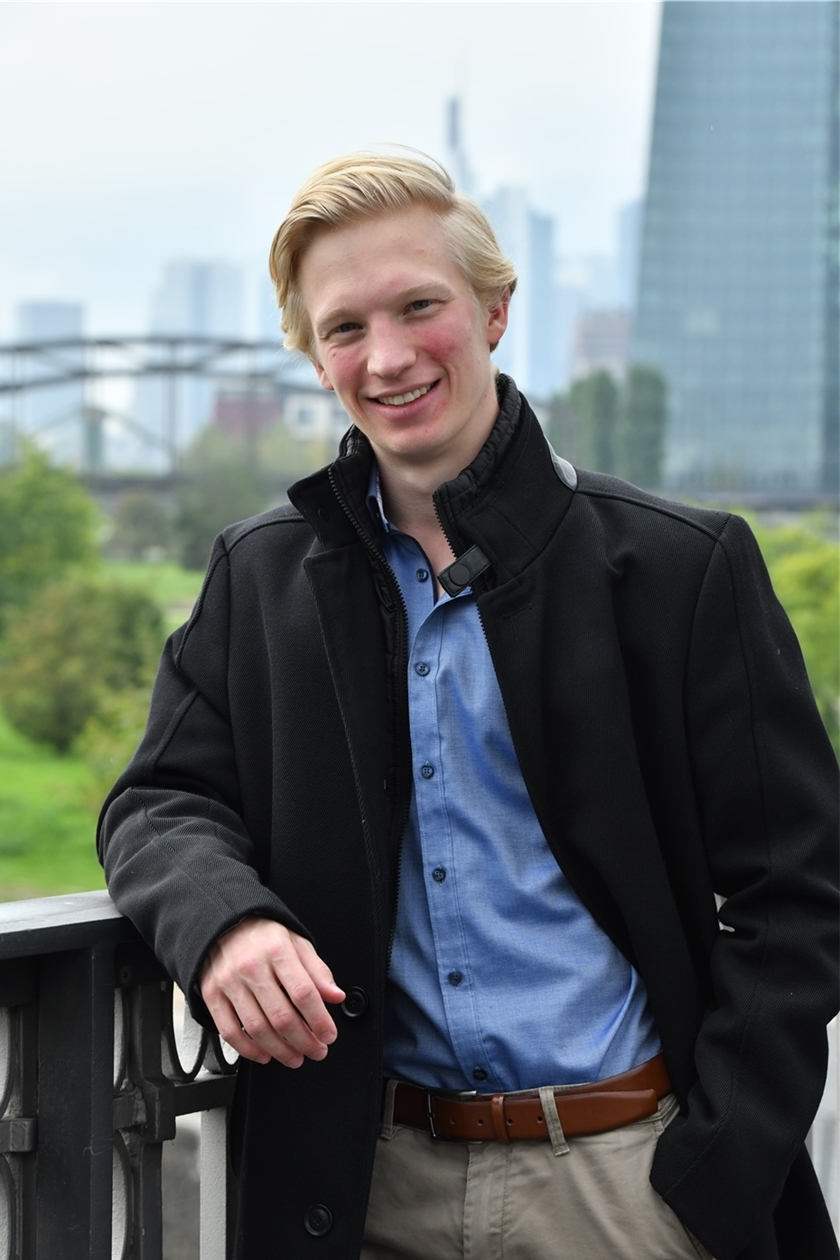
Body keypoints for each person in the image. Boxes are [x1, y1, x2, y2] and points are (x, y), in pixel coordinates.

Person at [98, 151, 839, 1260]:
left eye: (419, 307)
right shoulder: (260, 577)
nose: (388, 357)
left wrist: (714, 1164)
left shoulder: (682, 569)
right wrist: (225, 921)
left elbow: (802, 891)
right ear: (315, 359)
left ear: (494, 310)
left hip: (626, 1188)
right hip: (363, 1192)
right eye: (345, 328)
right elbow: (158, 801)